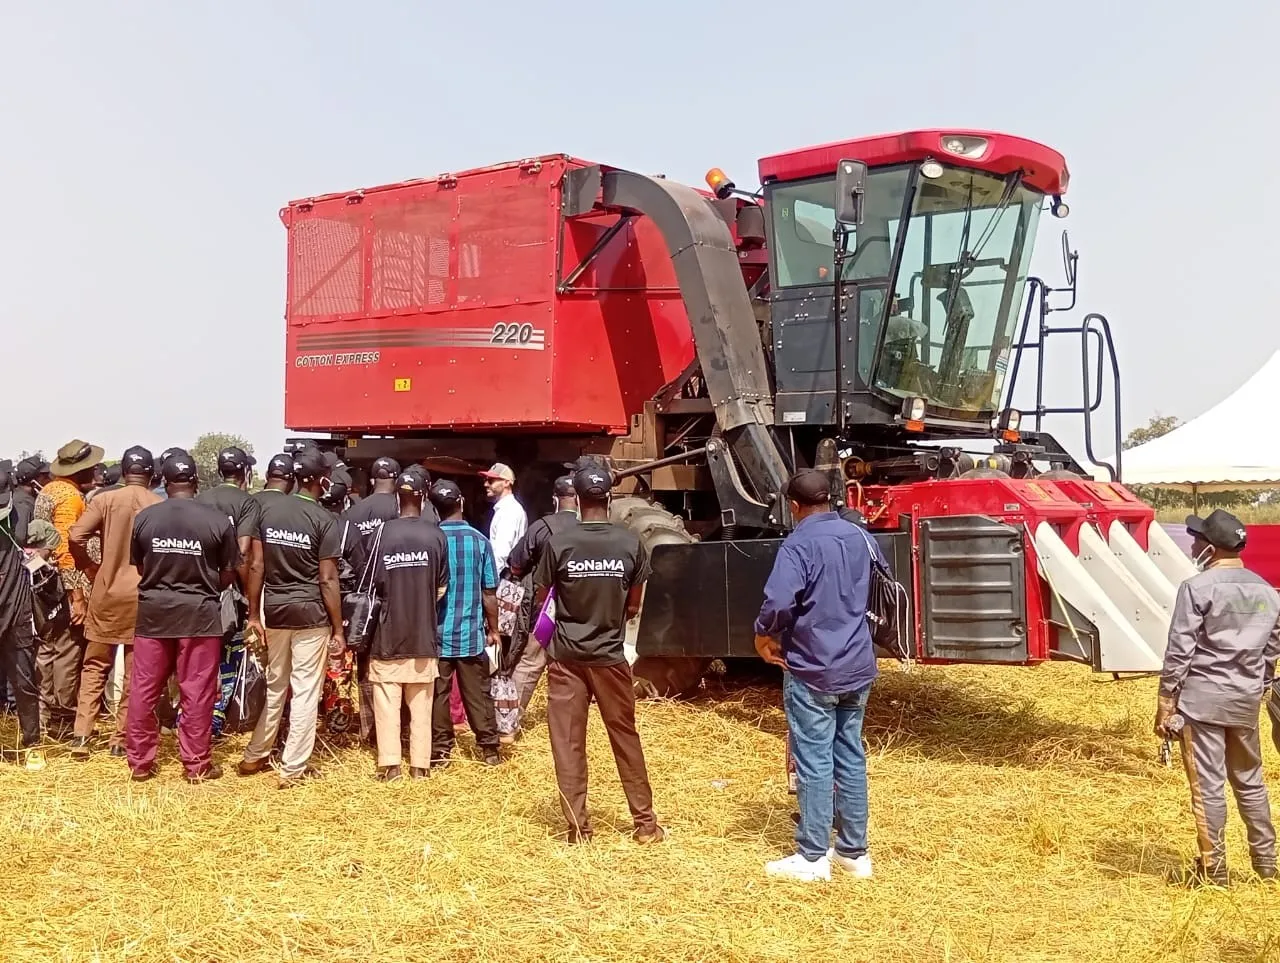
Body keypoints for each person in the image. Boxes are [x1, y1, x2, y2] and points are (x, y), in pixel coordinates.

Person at [755, 468, 881, 882]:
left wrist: (763, 634)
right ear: (832, 499)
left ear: (793, 506)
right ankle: (854, 852)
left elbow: (778, 602)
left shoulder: (798, 544)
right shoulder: (860, 536)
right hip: (857, 664)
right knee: (850, 754)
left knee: (813, 760)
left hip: (813, 667)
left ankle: (812, 856)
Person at [532, 467, 664, 844]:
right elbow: (634, 606)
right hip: (610, 658)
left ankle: (577, 829)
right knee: (624, 736)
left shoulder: (560, 543)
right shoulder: (629, 543)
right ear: (608, 498)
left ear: (574, 498)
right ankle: (645, 824)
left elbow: (545, 601)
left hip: (566, 658)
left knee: (568, 741)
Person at [1156, 509, 1279, 885]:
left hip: (1202, 701)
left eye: (1197, 539)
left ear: (1210, 548)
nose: (1193, 544)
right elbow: (1272, 649)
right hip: (1244, 701)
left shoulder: (1198, 588)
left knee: (1208, 786)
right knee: (1250, 781)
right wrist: (1258, 686)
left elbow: (1180, 649)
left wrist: (1165, 701)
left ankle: (1214, 869)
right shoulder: (1266, 591)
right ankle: (1267, 863)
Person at [126, 454, 239, 782]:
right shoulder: (217, 521)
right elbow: (229, 572)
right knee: (198, 692)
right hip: (199, 615)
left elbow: (140, 568)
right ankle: (196, 765)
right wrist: (202, 585)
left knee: (144, 689)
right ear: (196, 481)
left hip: (153, 614)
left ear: (163, 479)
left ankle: (140, 764)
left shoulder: (146, 519)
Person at [240, 447, 345, 788]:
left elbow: (256, 565)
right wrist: (337, 627)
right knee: (304, 691)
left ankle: (256, 754)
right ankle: (292, 768)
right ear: (321, 480)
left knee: (275, 684)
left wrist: (254, 613)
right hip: (311, 612)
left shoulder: (267, 510)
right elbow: (328, 579)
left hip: (276, 608)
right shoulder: (324, 520)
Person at [66, 446, 162, 759]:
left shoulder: (104, 500)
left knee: (94, 666)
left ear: (122, 472)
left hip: (105, 593)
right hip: (142, 597)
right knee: (136, 674)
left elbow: (76, 535)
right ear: (150, 474)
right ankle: (120, 739)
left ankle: (82, 734)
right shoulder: (157, 505)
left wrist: (90, 567)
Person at [369, 470, 450, 781]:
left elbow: (373, 582)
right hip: (423, 631)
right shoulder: (436, 535)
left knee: (387, 701)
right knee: (421, 702)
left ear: (396, 499)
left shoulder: (382, 533)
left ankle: (390, 765)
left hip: (388, 632)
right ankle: (420, 765)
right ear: (424, 496)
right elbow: (442, 587)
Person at [429, 479, 502, 767]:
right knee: (479, 693)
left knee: (438, 694)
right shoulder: (479, 541)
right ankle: (489, 749)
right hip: (470, 634)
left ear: (435, 509)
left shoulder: (432, 540)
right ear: (460, 503)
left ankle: (441, 750)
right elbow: (489, 593)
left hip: (436, 634)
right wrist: (493, 629)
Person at [34, 438, 103, 738]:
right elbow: (63, 547)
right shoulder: (71, 498)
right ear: (81, 471)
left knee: (47, 649)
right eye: (93, 468)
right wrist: (76, 595)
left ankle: (45, 715)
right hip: (64, 585)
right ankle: (62, 717)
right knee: (68, 648)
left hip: (43, 584)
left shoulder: (49, 491)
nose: (97, 472)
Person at [195, 446, 262, 737]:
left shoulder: (201, 499)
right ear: (245, 472)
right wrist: (249, 596)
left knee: (200, 656)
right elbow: (244, 552)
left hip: (199, 585)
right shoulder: (247, 502)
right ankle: (217, 718)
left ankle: (194, 717)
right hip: (229, 588)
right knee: (229, 652)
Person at [506, 475, 579, 717]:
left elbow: (516, 564)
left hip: (545, 609)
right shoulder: (591, 527)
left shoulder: (542, 527)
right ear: (579, 499)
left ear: (555, 500)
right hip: (583, 612)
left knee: (529, 663)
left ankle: (509, 722)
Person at [0, 466, 45, 770]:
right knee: (24, 680)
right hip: (14, 607)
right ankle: (32, 747)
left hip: (15, 610)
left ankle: (32, 744)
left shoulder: (20, 513)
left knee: (24, 680)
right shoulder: (21, 510)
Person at [481, 463, 527, 575]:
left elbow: (501, 553)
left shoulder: (509, 510)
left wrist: (491, 583)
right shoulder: (506, 509)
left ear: (506, 482)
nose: (485, 484)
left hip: (502, 577)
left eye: (491, 480)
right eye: (486, 480)